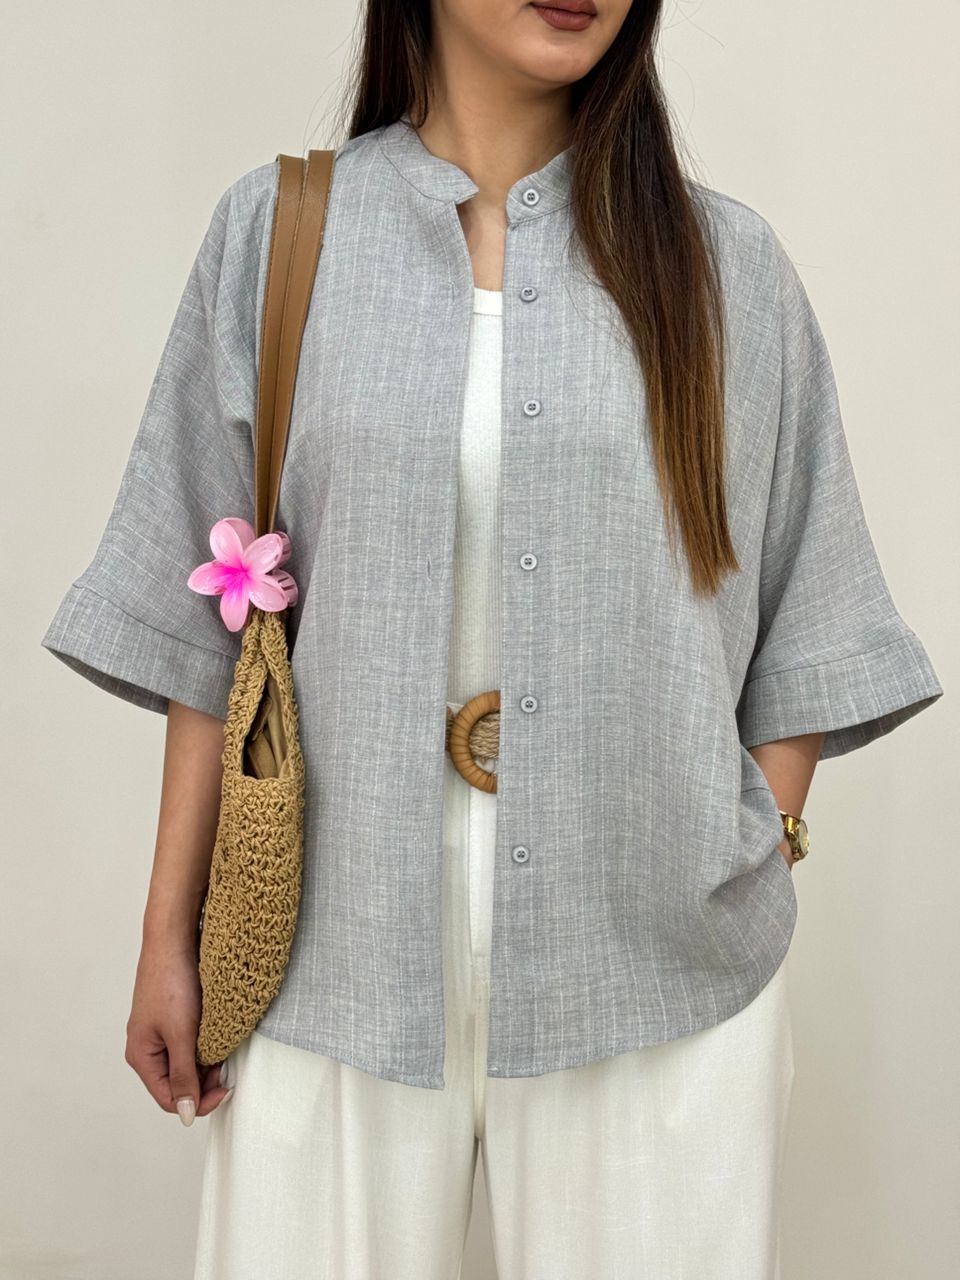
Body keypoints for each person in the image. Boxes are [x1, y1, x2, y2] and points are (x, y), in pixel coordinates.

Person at [40, 2, 944, 1277]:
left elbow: (811, 612)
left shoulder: (728, 268)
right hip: (329, 949)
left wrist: (759, 842)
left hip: (651, 961)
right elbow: (212, 636)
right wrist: (168, 936)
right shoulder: (282, 236)